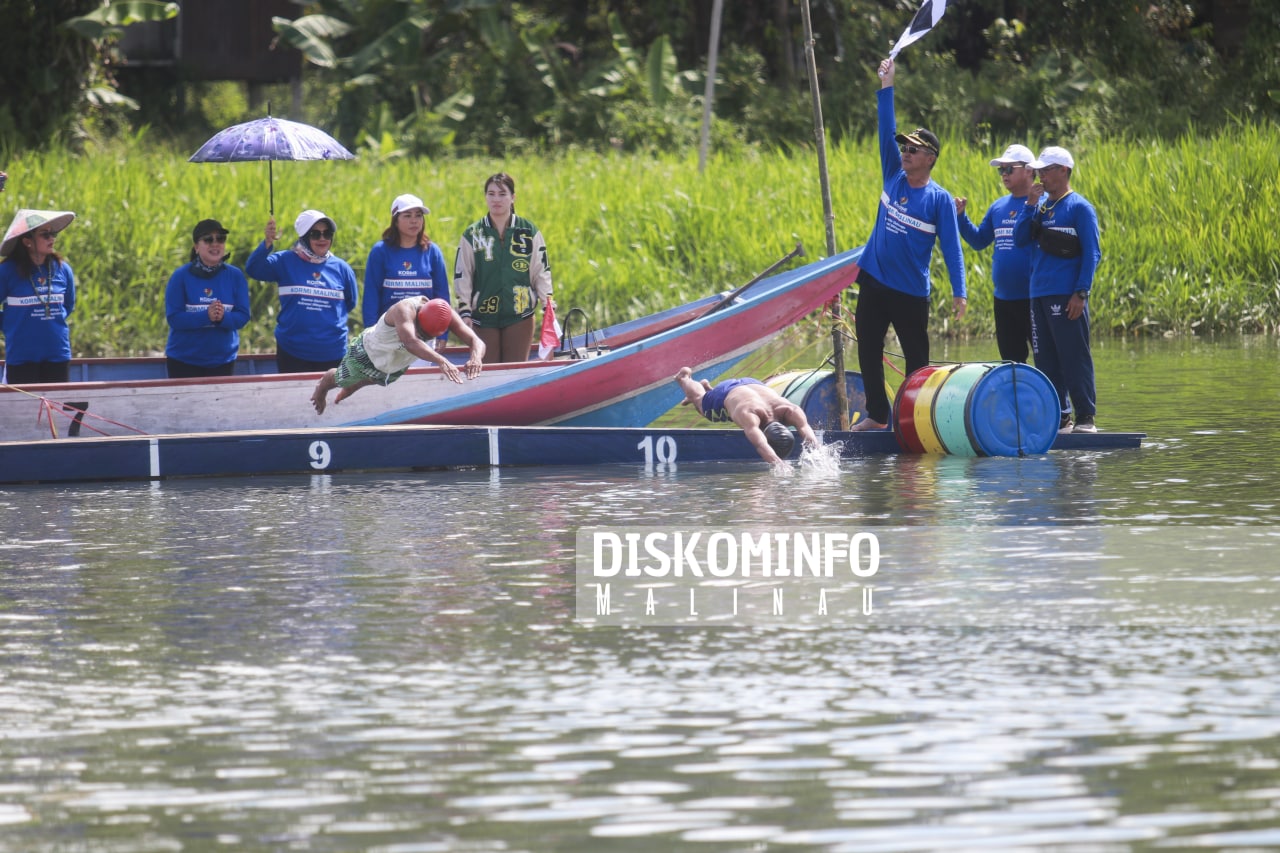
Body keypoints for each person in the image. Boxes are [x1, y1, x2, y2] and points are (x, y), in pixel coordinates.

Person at [849, 58, 967, 432]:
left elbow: (951, 248)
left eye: (914, 150)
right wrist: (887, 85)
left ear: (930, 159)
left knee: (918, 360)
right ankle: (878, 416)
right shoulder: (893, 175)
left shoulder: (939, 200)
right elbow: (886, 128)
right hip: (874, 281)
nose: (906, 152)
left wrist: (960, 291)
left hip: (910, 292)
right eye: (905, 148)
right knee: (867, 348)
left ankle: (916, 419)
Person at [1012, 146, 1102, 433]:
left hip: (1067, 296)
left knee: (1073, 355)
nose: (1041, 176)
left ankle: (1085, 418)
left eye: (1046, 170)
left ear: (1063, 171)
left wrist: (1081, 292)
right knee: (1046, 359)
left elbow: (1092, 254)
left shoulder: (1079, 208)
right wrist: (1029, 205)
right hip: (1037, 294)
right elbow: (1020, 239)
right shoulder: (1040, 206)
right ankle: (1061, 419)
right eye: (1039, 170)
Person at [310, 297, 485, 414]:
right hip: (369, 351)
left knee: (379, 379)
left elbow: (477, 341)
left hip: (397, 362)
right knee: (344, 378)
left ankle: (356, 384)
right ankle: (324, 385)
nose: (423, 338)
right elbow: (411, 341)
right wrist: (441, 360)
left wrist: (476, 357)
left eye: (428, 337)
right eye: (421, 333)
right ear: (419, 317)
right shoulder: (405, 309)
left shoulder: (446, 314)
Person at [453, 172, 554, 364]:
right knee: (487, 372)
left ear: (513, 197)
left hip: (520, 314)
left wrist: (547, 301)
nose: (496, 199)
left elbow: (540, 270)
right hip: (483, 316)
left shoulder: (528, 231)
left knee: (516, 371)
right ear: (485, 197)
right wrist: (464, 310)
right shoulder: (473, 233)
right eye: (491, 194)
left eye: (502, 194)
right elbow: (463, 274)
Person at [245, 209, 359, 374]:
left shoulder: (342, 268)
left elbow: (350, 303)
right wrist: (267, 244)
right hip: (293, 352)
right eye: (315, 234)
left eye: (327, 233)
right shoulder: (284, 261)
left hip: (333, 353)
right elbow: (254, 269)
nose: (322, 239)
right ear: (304, 237)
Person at [955, 144, 1036, 363]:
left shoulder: (1044, 203)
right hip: (1004, 300)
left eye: (1009, 169)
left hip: (1036, 299)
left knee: (1046, 361)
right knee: (1012, 363)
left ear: (1029, 171)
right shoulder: (998, 207)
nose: (1004, 175)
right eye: (1001, 170)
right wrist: (961, 217)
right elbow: (979, 240)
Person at [674, 367, 819, 465]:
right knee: (702, 405)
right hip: (726, 392)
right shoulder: (749, 415)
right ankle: (685, 378)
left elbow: (809, 435)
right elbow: (760, 444)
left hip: (753, 383)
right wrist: (778, 464)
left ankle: (707, 390)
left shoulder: (790, 410)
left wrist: (820, 454)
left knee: (722, 411)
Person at [163, 219, 252, 378]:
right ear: (196, 247)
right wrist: (206, 316)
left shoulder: (235, 276)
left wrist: (223, 317)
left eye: (220, 239)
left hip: (223, 361)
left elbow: (243, 316)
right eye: (208, 239)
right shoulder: (180, 276)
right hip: (183, 361)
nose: (215, 244)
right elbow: (174, 318)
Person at [362, 194, 450, 349]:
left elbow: (442, 295)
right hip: (388, 334)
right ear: (396, 220)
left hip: (425, 333)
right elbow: (371, 295)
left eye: (418, 215)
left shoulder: (432, 251)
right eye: (407, 216)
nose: (414, 220)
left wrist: (443, 332)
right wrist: (370, 332)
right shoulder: (380, 251)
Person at [0, 209, 77, 384]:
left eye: (53, 233)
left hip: (57, 354)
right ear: (27, 241)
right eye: (45, 234)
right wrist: (9, 323)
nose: (52, 238)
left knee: (55, 410)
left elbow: (68, 306)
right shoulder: (6, 272)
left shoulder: (63, 269)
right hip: (22, 357)